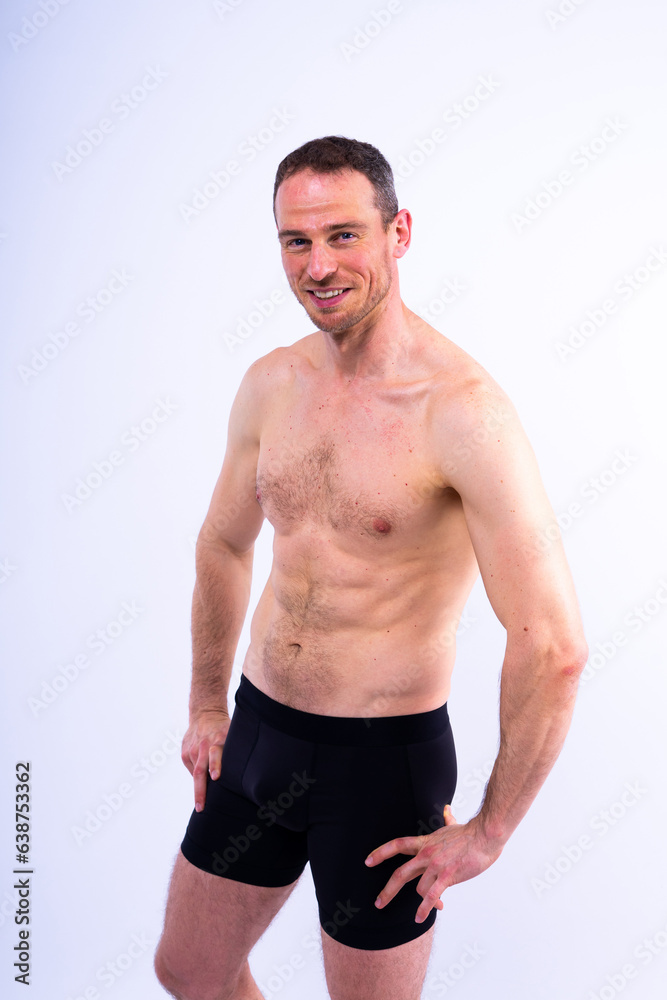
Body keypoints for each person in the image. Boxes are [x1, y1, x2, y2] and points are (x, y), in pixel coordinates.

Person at [154, 136, 588, 1000]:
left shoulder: (464, 415)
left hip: (380, 771)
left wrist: (489, 832)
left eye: (344, 235)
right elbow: (222, 543)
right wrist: (208, 702)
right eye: (295, 241)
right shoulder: (270, 383)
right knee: (189, 970)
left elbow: (552, 644)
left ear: (399, 233)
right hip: (258, 737)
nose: (318, 265)